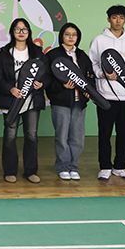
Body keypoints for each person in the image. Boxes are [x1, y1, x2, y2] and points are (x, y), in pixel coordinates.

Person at [89, 5, 125, 181]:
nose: (118, 21)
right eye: (114, 17)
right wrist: (102, 74)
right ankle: (105, 167)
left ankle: (120, 166)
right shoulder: (99, 40)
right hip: (105, 96)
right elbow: (92, 64)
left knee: (124, 134)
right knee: (105, 133)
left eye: (121, 17)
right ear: (108, 19)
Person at [0, 18, 45, 184]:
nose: (21, 32)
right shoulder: (4, 53)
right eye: (17, 29)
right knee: (10, 136)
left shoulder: (37, 52)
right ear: (12, 32)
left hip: (32, 101)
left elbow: (46, 73)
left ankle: (30, 171)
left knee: (31, 135)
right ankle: (10, 171)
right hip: (11, 101)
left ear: (29, 32)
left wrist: (41, 83)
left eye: (24, 29)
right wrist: (10, 88)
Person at [45, 22, 94, 181]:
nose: (71, 37)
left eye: (74, 35)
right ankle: (63, 166)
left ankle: (74, 166)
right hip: (61, 103)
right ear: (62, 36)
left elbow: (90, 76)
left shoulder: (82, 55)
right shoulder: (53, 55)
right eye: (67, 34)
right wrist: (62, 85)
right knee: (62, 137)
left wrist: (89, 91)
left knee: (77, 138)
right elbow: (46, 80)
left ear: (78, 37)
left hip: (79, 103)